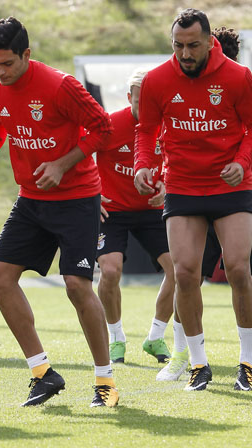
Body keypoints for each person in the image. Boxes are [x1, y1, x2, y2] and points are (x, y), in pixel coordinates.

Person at [0, 17, 119, 407]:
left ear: (27, 55)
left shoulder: (60, 85)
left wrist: (63, 164)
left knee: (76, 285)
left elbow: (102, 128)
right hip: (31, 198)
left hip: (78, 198)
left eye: (8, 64)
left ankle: (105, 382)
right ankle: (42, 373)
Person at [134, 9, 252, 392]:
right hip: (183, 185)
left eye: (192, 46)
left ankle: (247, 362)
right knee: (184, 273)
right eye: (178, 45)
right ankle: (199, 365)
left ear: (209, 42)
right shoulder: (157, 79)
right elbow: (147, 130)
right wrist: (143, 165)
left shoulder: (238, 77)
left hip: (231, 185)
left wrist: (241, 161)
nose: (184, 53)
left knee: (237, 268)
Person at [94, 68, 175, 366]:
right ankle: (116, 338)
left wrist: (166, 184)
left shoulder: (168, 125)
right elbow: (78, 152)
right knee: (111, 271)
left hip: (152, 209)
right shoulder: (109, 124)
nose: (148, 108)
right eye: (142, 101)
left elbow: (175, 159)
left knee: (180, 271)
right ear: (130, 98)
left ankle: (155, 337)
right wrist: (92, 192)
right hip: (112, 210)